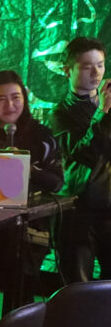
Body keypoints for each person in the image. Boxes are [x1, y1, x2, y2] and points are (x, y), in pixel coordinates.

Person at [0, 70, 64, 326]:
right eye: (1, 99)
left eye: (16, 97)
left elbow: (57, 182)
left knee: (19, 304)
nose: (10, 105)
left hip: (28, 231)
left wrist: (25, 166)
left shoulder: (42, 136)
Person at [49, 37, 111, 282]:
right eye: (87, 67)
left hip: (108, 208)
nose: (96, 73)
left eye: (100, 65)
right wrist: (102, 113)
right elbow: (82, 153)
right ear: (68, 70)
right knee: (78, 287)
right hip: (78, 211)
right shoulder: (60, 113)